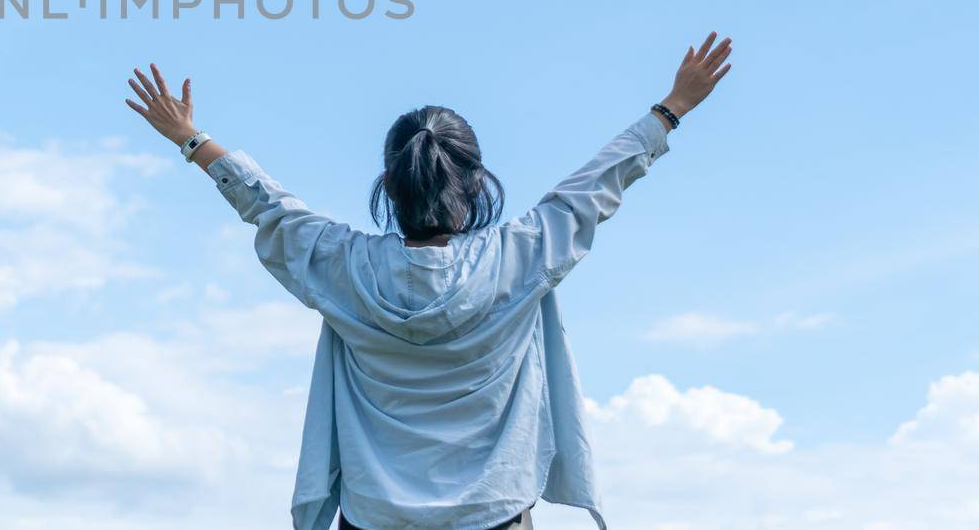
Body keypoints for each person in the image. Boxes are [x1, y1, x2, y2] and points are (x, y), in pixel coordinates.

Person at [124, 32, 733, 530]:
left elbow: (270, 207)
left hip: (374, 513)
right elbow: (597, 184)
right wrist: (670, 108)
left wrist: (191, 139)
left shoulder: (344, 266)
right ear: (474, 184)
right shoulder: (520, 256)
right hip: (493, 510)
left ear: (390, 187)